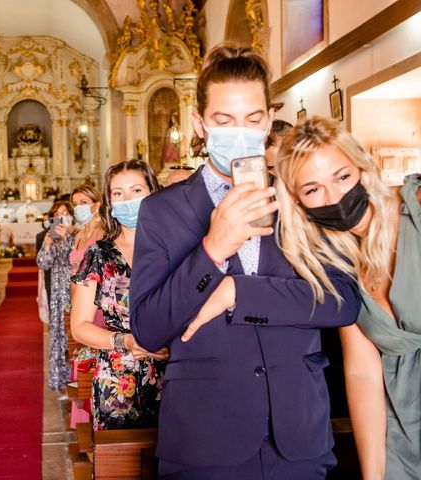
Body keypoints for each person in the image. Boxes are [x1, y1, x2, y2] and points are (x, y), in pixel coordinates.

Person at [129, 44, 361, 479]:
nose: (241, 131)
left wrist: (239, 292)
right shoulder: (161, 211)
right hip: (205, 436)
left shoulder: (301, 196)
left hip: (299, 432)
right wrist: (211, 251)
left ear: (269, 120)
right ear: (199, 124)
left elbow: (343, 299)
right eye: (224, 120)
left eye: (253, 120)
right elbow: (148, 327)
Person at [274, 116, 421, 480]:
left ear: (362, 166)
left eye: (341, 177)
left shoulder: (416, 208)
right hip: (403, 431)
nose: (335, 197)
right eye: (313, 189)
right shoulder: (335, 263)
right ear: (297, 202)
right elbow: (363, 373)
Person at [71, 160, 167, 431]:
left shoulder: (177, 249)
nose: (127, 200)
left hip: (175, 373)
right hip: (118, 379)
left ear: (153, 192)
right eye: (118, 193)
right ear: (110, 202)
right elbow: (79, 327)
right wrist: (124, 341)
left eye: (136, 190)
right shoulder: (99, 254)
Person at [36, 201, 75, 396]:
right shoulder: (48, 237)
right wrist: (48, 243)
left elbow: (76, 258)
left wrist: (67, 236)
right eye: (57, 213)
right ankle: (61, 381)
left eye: (65, 213)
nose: (61, 217)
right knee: (58, 337)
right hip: (57, 293)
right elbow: (43, 263)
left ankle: (76, 382)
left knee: (73, 337)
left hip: (74, 291)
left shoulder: (77, 236)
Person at [70, 184, 104, 273]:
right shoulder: (79, 235)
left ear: (96, 205)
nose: (78, 207)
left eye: (83, 202)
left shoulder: (103, 232)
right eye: (75, 204)